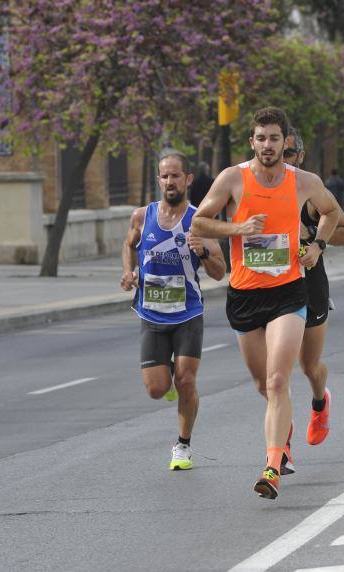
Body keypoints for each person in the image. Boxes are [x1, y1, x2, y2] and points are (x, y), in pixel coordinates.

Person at [191, 107, 340, 500]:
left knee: (278, 381)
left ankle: (272, 466)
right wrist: (237, 228)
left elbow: (331, 212)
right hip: (244, 295)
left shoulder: (304, 181)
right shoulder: (232, 178)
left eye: (275, 138)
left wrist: (317, 247)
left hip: (288, 293)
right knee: (263, 385)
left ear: (284, 141)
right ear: (252, 142)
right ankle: (282, 429)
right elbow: (200, 222)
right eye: (261, 138)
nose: (268, 145)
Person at [121, 151, 226, 470]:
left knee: (186, 381)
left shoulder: (200, 221)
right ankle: (166, 376)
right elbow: (129, 244)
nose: (170, 181)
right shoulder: (142, 216)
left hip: (187, 313)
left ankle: (183, 445)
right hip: (151, 313)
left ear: (188, 179)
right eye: (165, 176)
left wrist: (203, 251)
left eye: (175, 175)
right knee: (156, 389)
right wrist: (128, 272)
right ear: (159, 180)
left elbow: (220, 272)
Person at [283, 127, 344, 456]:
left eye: (288, 154)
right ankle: (280, 446)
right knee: (276, 373)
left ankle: (319, 401)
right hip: (270, 289)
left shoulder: (311, 193)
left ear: (300, 156)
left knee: (309, 366)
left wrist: (312, 235)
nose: (280, 160)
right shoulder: (253, 188)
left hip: (309, 286)